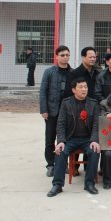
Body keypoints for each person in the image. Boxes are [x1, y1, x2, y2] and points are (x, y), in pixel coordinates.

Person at [47, 78, 101, 197]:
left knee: (94, 151)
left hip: (87, 139)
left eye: (85, 87)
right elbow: (61, 123)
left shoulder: (93, 103)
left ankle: (89, 184)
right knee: (60, 151)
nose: (84, 89)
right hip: (70, 138)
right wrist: (61, 141)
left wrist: (94, 140)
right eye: (80, 87)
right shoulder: (66, 103)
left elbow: (96, 125)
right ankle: (57, 185)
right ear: (73, 90)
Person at [39, 45, 72, 177]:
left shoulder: (73, 72)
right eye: (62, 55)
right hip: (52, 111)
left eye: (67, 55)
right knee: (50, 139)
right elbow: (43, 91)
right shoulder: (49, 72)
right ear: (57, 56)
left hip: (68, 112)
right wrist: (44, 109)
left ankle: (63, 164)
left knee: (65, 139)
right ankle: (51, 165)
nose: (65, 57)